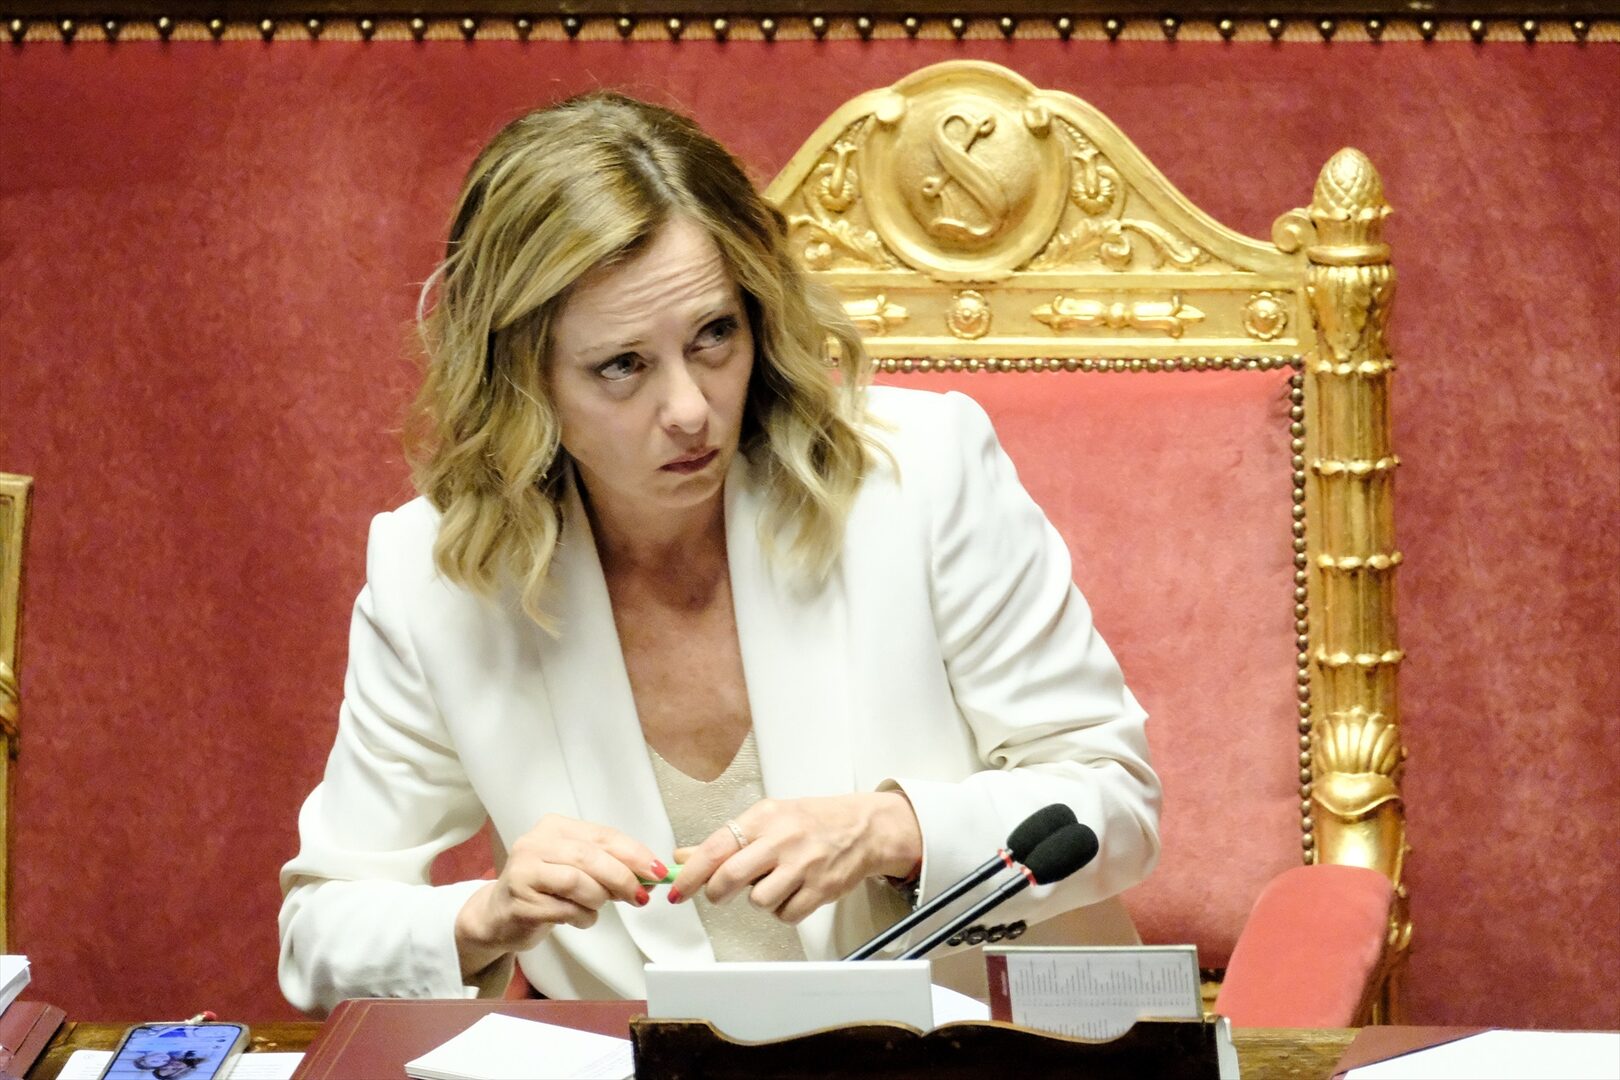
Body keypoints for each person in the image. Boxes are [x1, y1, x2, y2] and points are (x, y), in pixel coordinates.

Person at [277, 91, 1160, 1015]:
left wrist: (892, 830)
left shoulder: (921, 471)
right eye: (622, 366)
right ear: (520, 379)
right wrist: (483, 918)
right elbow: (320, 934)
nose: (690, 409)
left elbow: (1116, 800)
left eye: (713, 336)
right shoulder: (435, 574)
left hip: (1002, 1050)